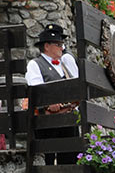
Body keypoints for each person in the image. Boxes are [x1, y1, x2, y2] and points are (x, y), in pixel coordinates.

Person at [25, 24, 80, 165]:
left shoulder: (64, 65)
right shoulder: (35, 64)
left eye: (62, 44)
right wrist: (49, 103)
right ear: (47, 46)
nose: (62, 47)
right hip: (48, 121)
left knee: (70, 157)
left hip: (67, 118)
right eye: (58, 44)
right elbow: (36, 87)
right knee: (49, 157)